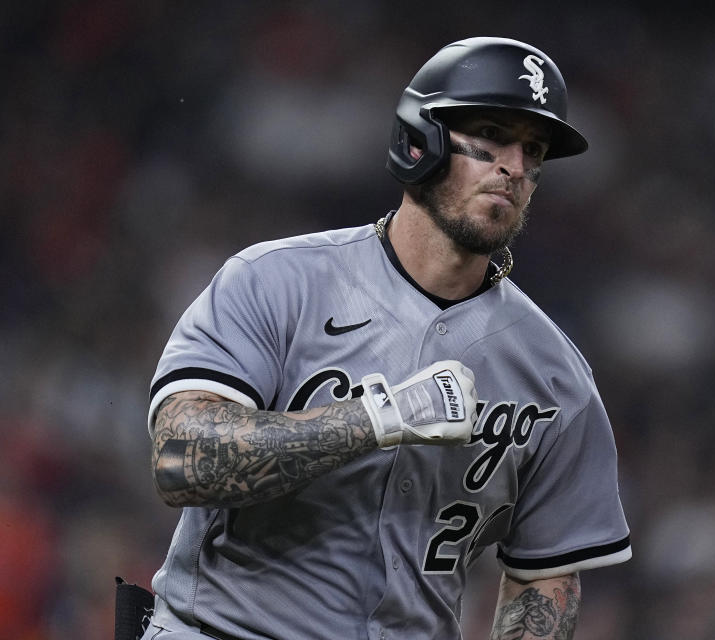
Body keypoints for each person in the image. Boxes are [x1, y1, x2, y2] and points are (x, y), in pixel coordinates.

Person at [142, 36, 631, 640]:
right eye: (491, 137)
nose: (515, 166)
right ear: (418, 140)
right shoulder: (277, 281)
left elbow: (546, 575)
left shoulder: (556, 374)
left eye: (533, 150)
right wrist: (377, 418)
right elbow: (180, 459)